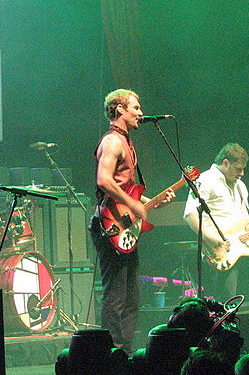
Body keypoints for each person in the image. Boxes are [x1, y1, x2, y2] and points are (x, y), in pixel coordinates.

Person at [90, 89, 175, 355]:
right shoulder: (113, 141)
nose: (140, 113)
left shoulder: (127, 142)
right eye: (135, 107)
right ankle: (112, 354)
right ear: (119, 110)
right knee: (116, 296)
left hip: (123, 224)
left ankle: (124, 352)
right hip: (109, 224)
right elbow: (104, 180)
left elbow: (125, 189)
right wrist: (137, 205)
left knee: (130, 297)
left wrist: (151, 200)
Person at [183, 143, 249, 311]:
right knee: (227, 299)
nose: (242, 173)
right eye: (238, 169)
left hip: (244, 246)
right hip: (220, 251)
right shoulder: (206, 180)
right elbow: (189, 214)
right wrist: (210, 238)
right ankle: (224, 335)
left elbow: (246, 222)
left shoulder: (241, 186)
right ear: (225, 162)